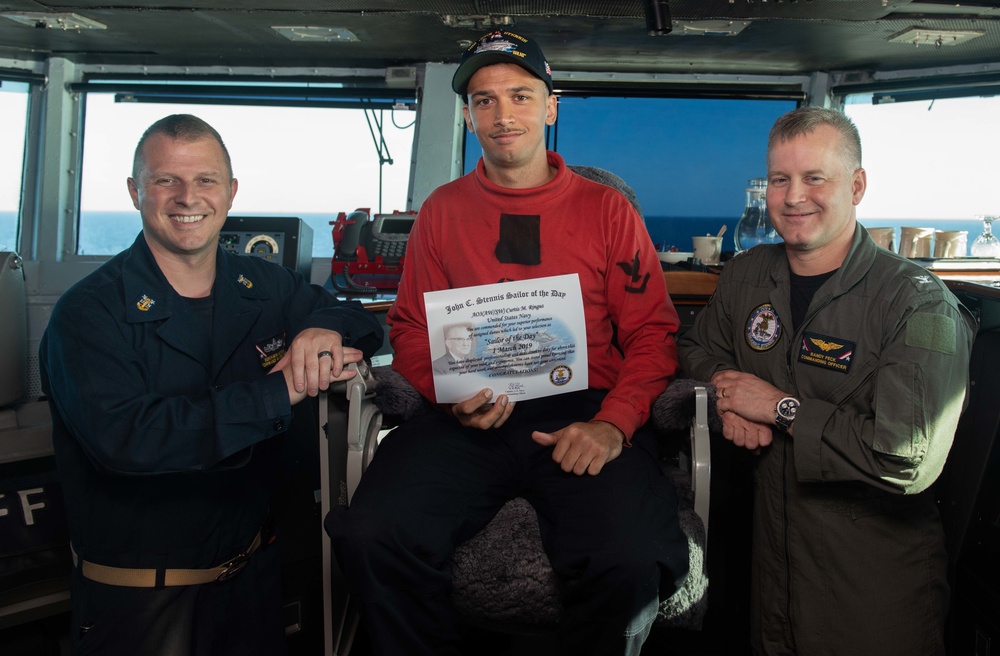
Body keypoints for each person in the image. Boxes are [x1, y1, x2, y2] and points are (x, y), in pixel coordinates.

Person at [326, 29, 689, 656]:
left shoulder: (608, 211)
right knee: (371, 535)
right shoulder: (441, 210)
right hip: (469, 411)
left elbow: (653, 335)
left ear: (550, 107)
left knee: (629, 557)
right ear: (468, 117)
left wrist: (613, 425)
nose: (503, 115)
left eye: (520, 96)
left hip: (584, 411)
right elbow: (410, 328)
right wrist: (451, 396)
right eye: (485, 101)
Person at [40, 114, 383, 655]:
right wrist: (281, 391)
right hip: (143, 604)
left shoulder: (262, 283)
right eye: (165, 180)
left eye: (205, 180)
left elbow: (360, 319)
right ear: (135, 192)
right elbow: (132, 438)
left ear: (230, 191)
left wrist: (323, 327)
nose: (187, 197)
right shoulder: (87, 314)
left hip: (252, 585)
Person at [677, 106, 976, 656]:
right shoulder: (748, 275)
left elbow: (904, 457)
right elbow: (696, 347)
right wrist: (728, 391)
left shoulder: (917, 302)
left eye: (815, 178)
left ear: (857, 185)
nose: (794, 197)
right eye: (779, 179)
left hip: (870, 582)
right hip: (769, 568)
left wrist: (777, 408)